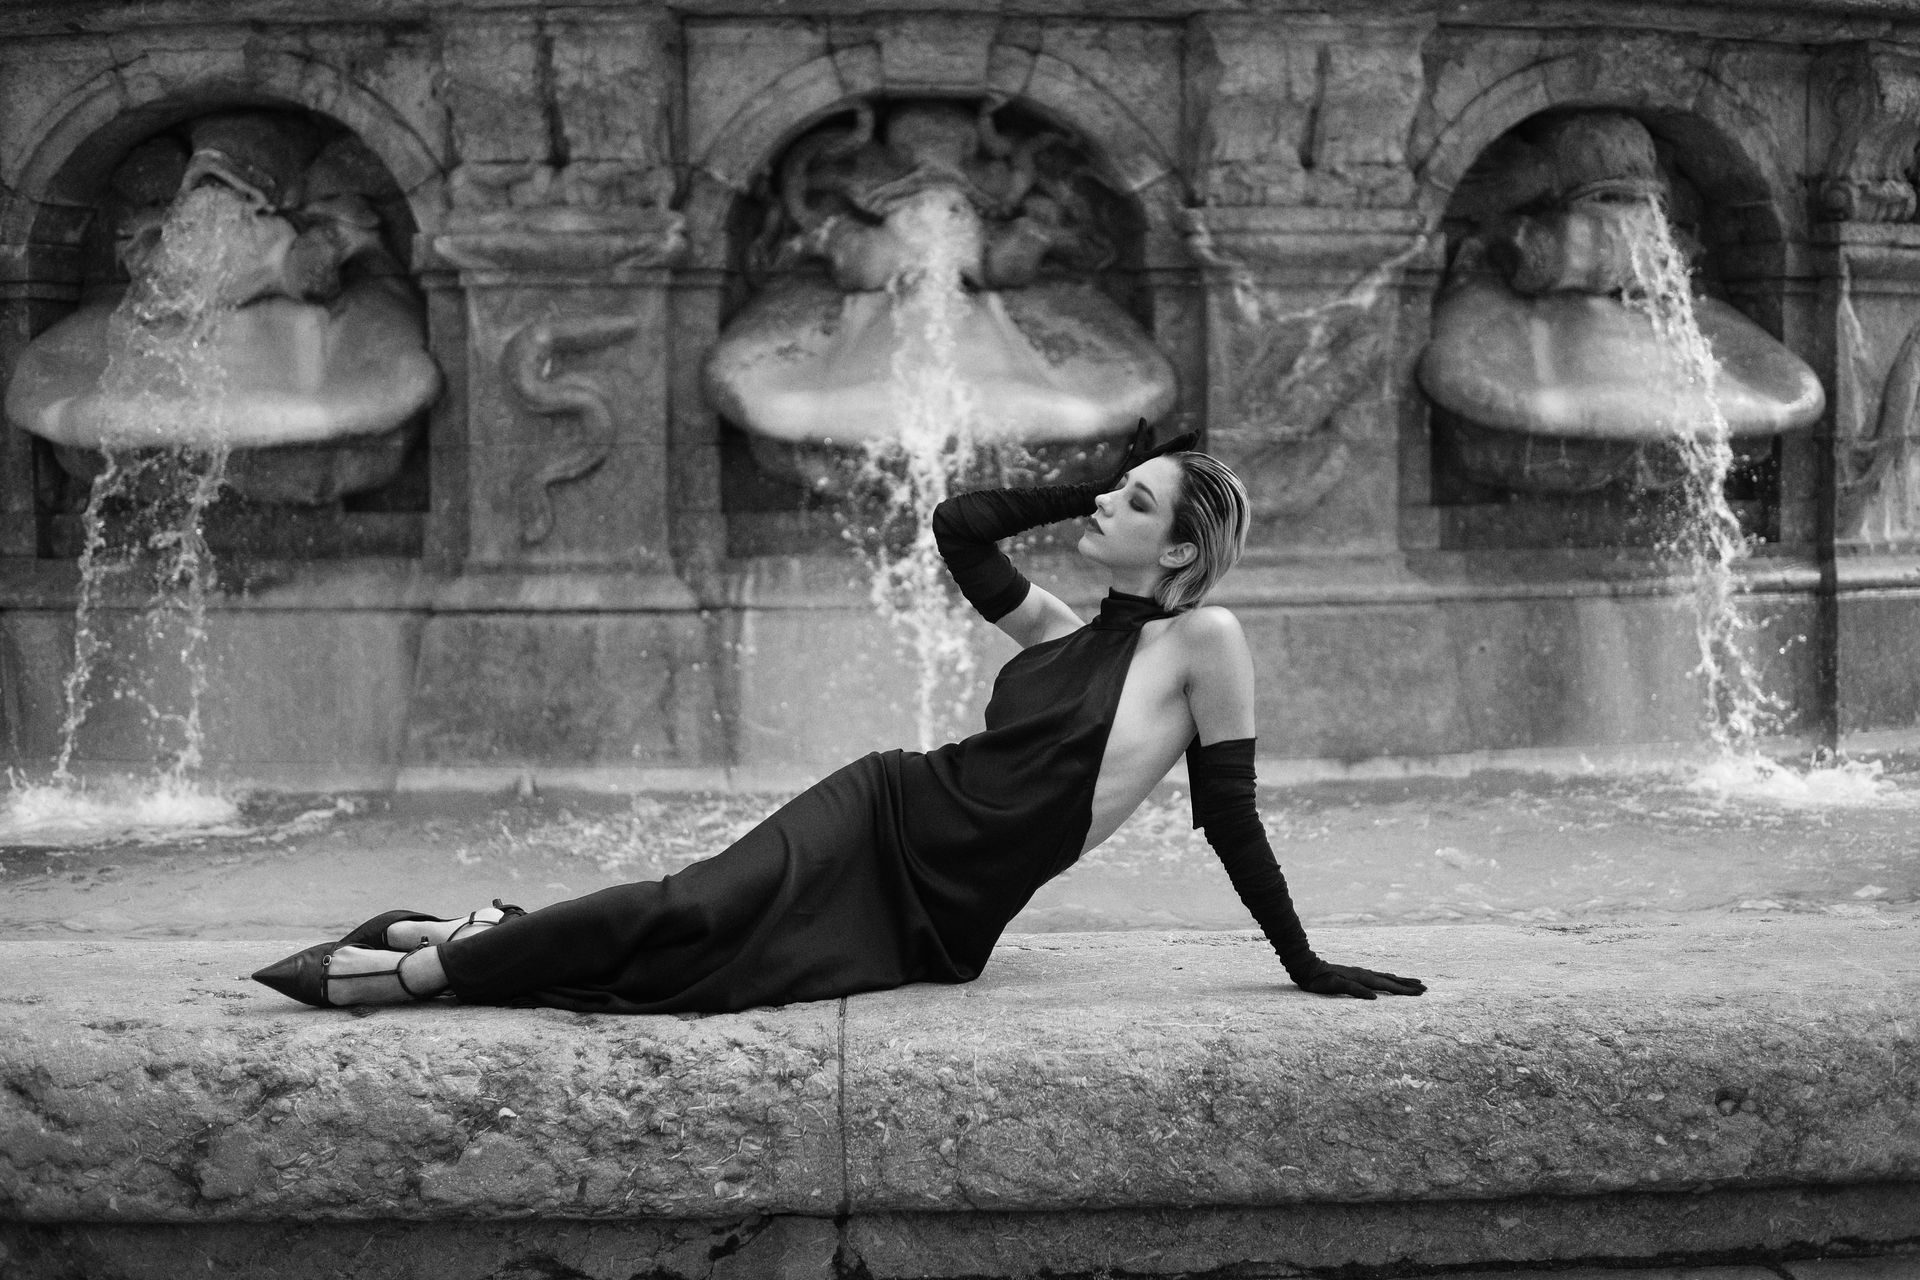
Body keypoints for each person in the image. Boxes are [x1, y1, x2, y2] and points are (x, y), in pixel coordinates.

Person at [253, 431, 1425, 1011]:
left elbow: (1231, 817)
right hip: (887, 809)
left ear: (1176, 550)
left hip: (944, 914)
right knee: (689, 907)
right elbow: (959, 523)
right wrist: (1086, 487)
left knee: (708, 973)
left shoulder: (1203, 642)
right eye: (1117, 488)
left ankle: (480, 933)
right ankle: (421, 971)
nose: (1109, 502)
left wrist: (1302, 963)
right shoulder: (1059, 632)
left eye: (1135, 499)